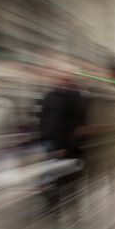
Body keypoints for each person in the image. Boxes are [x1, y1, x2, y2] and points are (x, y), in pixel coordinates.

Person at [38, 73, 87, 211]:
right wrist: (41, 135)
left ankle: (54, 194)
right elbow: (44, 117)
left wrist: (66, 141)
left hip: (60, 139)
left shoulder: (74, 98)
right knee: (50, 166)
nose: (61, 81)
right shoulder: (51, 96)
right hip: (48, 138)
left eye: (65, 79)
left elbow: (74, 122)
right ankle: (51, 193)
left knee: (57, 168)